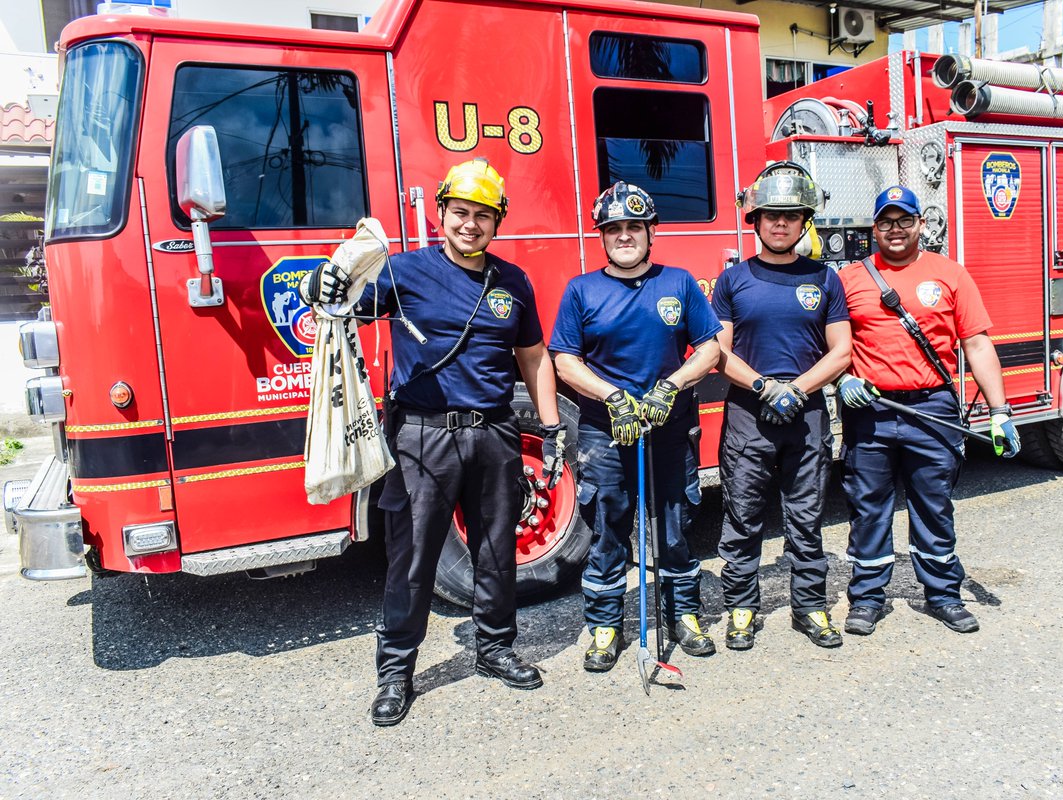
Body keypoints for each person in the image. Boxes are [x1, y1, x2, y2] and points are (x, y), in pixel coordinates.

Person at [302, 158, 564, 726]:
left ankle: (495, 648)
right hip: (422, 436)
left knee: (496, 551)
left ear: (497, 223)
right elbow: (339, 304)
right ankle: (396, 673)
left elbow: (533, 356)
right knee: (413, 558)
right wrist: (318, 282)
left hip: (495, 433)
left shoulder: (513, 282)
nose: (471, 224)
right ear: (441, 213)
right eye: (460, 212)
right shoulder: (402, 272)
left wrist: (551, 428)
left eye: (483, 215)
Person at [550, 182, 721, 672]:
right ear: (602, 236)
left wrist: (673, 385)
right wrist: (613, 397)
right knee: (608, 528)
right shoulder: (582, 290)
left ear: (651, 232)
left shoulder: (679, 283)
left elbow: (710, 348)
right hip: (607, 432)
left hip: (669, 427)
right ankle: (606, 625)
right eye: (614, 229)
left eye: (633, 227)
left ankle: (683, 614)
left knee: (673, 525)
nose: (624, 236)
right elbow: (564, 360)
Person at [836, 185, 1020, 636]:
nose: (895, 229)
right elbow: (828, 343)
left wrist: (1000, 411)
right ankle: (867, 600)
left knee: (934, 507)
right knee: (868, 509)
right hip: (871, 410)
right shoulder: (849, 279)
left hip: (932, 407)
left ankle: (943, 596)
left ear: (921, 224)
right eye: (886, 222)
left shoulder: (950, 274)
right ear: (874, 228)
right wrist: (841, 380)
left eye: (904, 220)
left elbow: (977, 344)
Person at [712, 162, 851, 651]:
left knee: (806, 518)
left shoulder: (825, 278)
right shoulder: (732, 281)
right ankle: (741, 609)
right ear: (755, 219)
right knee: (742, 517)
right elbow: (718, 352)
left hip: (806, 415)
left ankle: (810, 607)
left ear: (804, 221)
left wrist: (797, 389)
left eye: (791, 215)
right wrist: (765, 387)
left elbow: (841, 350)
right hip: (748, 416)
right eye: (771, 214)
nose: (780, 223)